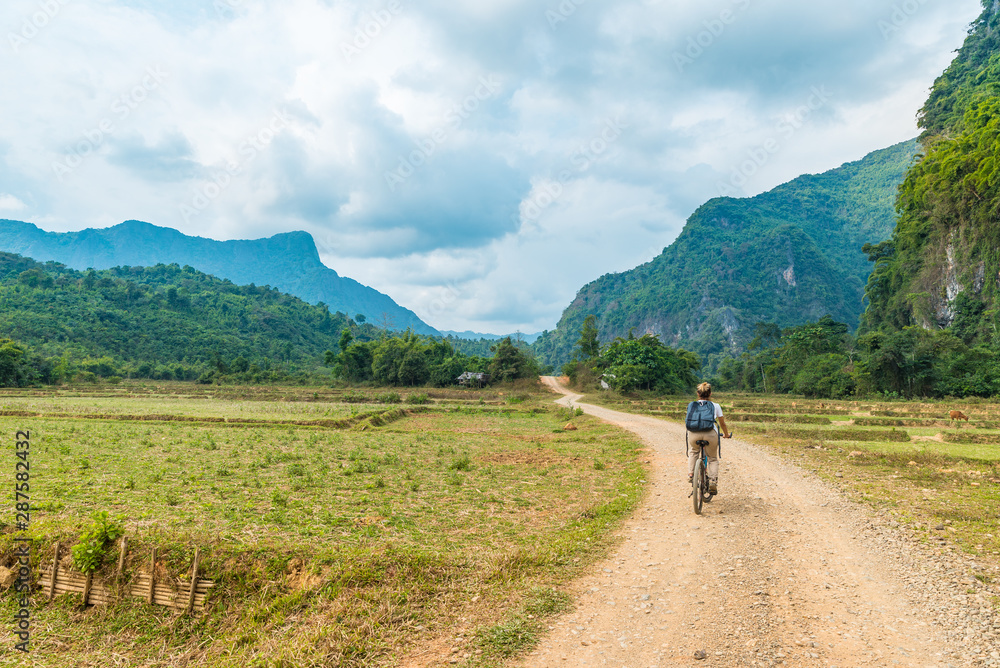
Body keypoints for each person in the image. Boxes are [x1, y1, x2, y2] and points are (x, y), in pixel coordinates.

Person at [686, 382, 732, 494]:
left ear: (698, 393)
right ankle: (713, 481)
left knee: (693, 452)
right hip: (710, 434)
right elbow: (722, 424)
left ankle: (691, 474)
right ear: (710, 394)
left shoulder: (692, 405)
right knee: (712, 458)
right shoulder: (715, 406)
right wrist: (726, 434)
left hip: (694, 434)